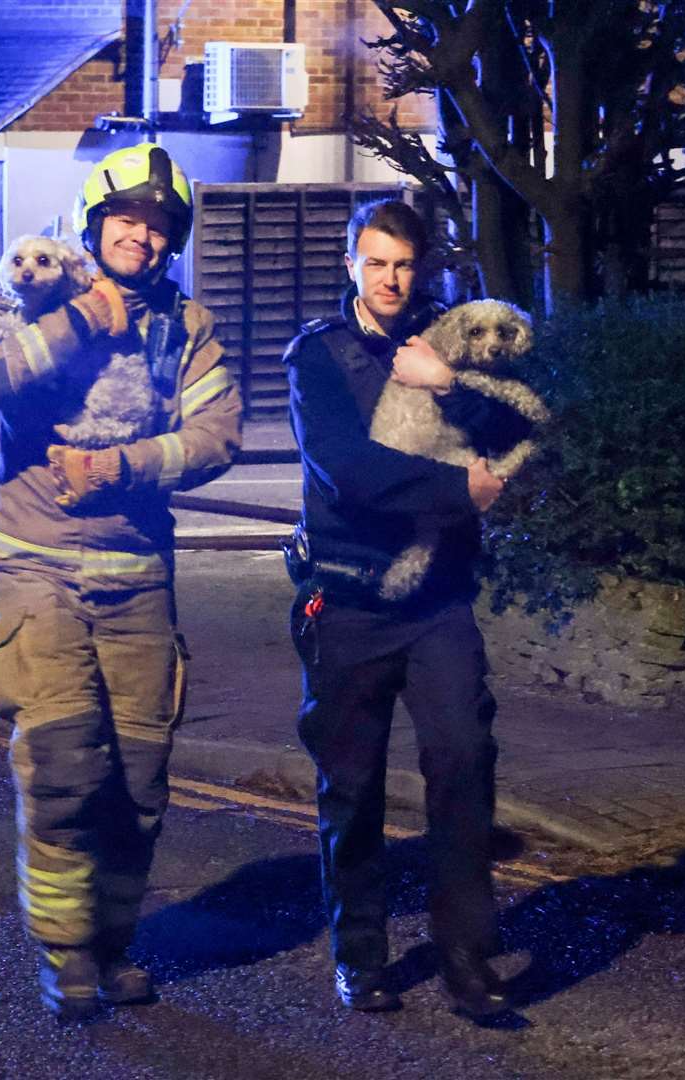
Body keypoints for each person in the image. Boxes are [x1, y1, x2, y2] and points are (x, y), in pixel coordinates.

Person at [0, 144, 241, 1023]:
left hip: (137, 577)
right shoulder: (25, 301)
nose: (143, 239)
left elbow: (220, 435)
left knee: (140, 783)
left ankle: (115, 944)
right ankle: (68, 955)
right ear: (93, 226)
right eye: (128, 222)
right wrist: (79, 321)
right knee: (66, 770)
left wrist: (119, 465)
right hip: (36, 565)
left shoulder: (187, 328)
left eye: (160, 228)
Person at [282, 198, 514, 1017]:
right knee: (352, 786)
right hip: (346, 599)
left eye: (404, 265)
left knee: (462, 763)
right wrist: (463, 488)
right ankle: (361, 954)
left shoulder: (446, 346)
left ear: (422, 271)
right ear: (352, 264)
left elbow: (508, 422)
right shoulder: (317, 357)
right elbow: (353, 472)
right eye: (376, 262)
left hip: (437, 601)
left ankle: (465, 959)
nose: (390, 278)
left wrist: (445, 381)